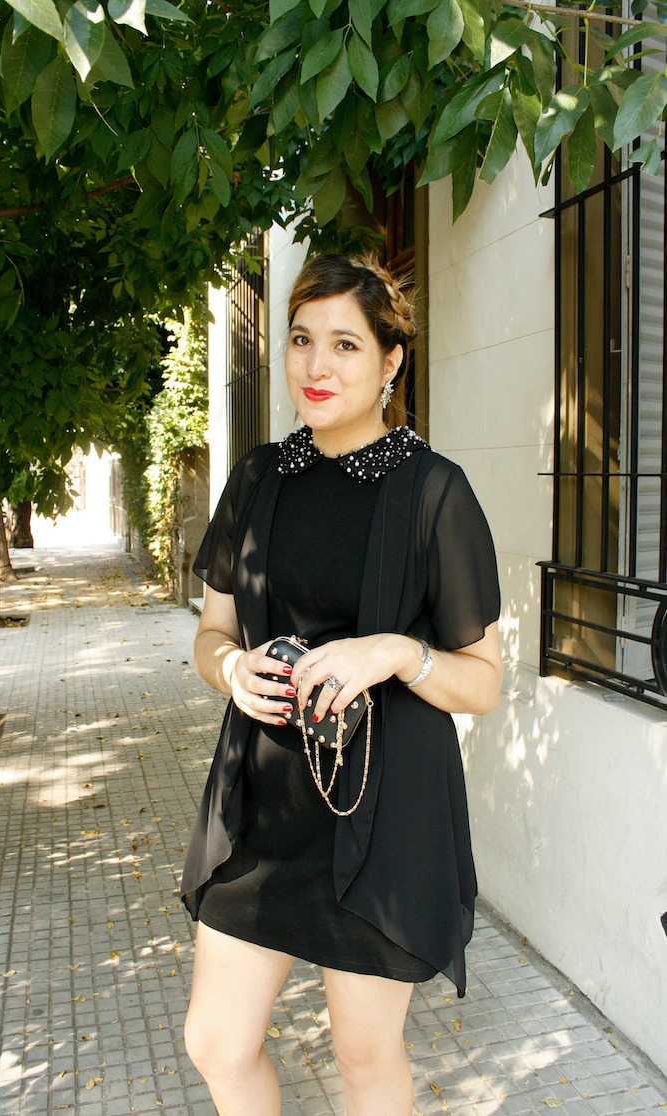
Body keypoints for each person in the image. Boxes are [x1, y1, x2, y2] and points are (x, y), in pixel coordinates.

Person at [182, 253, 502, 1116]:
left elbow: (482, 684)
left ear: (391, 360)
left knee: (363, 1057)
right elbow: (211, 635)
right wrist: (231, 670)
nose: (316, 366)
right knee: (215, 1042)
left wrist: (395, 653)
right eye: (301, 340)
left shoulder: (434, 492)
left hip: (383, 816)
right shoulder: (256, 479)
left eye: (345, 345)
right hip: (263, 806)